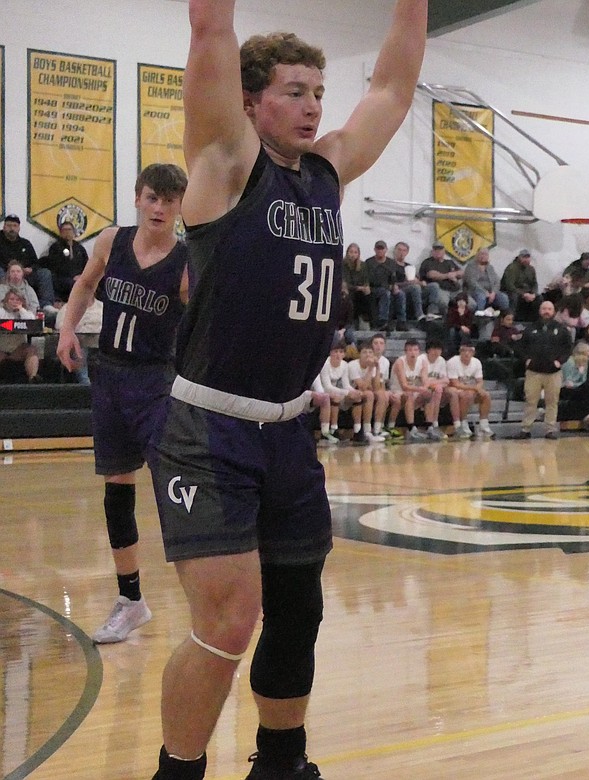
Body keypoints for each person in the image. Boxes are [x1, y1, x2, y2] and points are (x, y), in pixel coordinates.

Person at [149, 0, 426, 777]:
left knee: (297, 609)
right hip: (211, 428)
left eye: (317, 90)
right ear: (248, 101)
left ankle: (280, 763)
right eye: (293, 91)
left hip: (289, 428)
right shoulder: (227, 161)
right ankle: (177, 770)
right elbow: (210, 32)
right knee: (230, 623)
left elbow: (396, 88)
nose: (311, 105)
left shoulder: (329, 171)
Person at [56, 163, 189, 644]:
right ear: (137, 198)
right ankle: (131, 600)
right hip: (109, 374)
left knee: (174, 487)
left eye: (169, 200)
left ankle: (207, 596)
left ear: (180, 208)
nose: (159, 207)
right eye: (152, 197)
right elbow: (87, 284)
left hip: (155, 382)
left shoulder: (185, 264)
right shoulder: (112, 241)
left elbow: (202, 331)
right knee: (117, 489)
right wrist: (68, 327)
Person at [515, 299, 573, 439]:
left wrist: (560, 361)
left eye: (549, 309)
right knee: (530, 400)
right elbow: (520, 347)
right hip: (533, 372)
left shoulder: (561, 329)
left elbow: (568, 348)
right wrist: (526, 360)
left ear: (553, 312)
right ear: (540, 311)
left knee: (552, 401)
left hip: (553, 373)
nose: (546, 311)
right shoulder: (530, 328)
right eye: (544, 309)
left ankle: (550, 429)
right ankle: (526, 428)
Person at [0, 215, 53, 311]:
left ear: (19, 228)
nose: (12, 228)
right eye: (9, 225)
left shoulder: (25, 243)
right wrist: (12, 270)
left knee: (45, 273)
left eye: (15, 226)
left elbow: (36, 263)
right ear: (4, 227)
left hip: (25, 275)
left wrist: (31, 269)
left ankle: (46, 305)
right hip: (5, 275)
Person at [446, 339, 494, 440]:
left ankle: (483, 425)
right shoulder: (453, 362)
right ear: (460, 352)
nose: (467, 353)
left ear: (473, 352)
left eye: (469, 351)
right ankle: (463, 423)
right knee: (465, 395)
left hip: (470, 390)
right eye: (464, 351)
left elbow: (480, 381)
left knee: (486, 395)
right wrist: (474, 388)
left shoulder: (476, 362)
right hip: (455, 390)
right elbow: (454, 383)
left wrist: (478, 388)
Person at [391, 338, 437, 442]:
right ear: (405, 352)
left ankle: (430, 426)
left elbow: (425, 381)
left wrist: (425, 389)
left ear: (419, 352)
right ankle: (411, 428)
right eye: (410, 350)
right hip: (398, 392)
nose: (413, 352)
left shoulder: (423, 361)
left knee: (429, 394)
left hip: (414, 392)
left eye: (415, 350)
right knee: (410, 394)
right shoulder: (400, 362)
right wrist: (420, 389)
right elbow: (404, 386)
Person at [43, 221, 90, 303]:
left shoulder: (79, 248)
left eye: (69, 230)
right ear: (61, 233)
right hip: (61, 279)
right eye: (64, 230)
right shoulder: (55, 247)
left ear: (74, 232)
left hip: (79, 278)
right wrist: (73, 277)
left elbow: (87, 264)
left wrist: (81, 276)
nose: (67, 232)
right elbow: (55, 267)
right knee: (73, 284)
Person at [0, 289, 41, 382]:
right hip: (2, 350)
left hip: (17, 350)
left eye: (18, 300)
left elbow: (32, 323)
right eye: (12, 299)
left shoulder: (26, 313)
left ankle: (33, 378)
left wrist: (21, 310)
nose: (14, 302)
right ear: (6, 301)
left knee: (31, 349)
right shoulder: (1, 311)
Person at [419, 242, 463, 316]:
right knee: (443, 303)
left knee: (472, 305)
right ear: (432, 251)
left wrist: (454, 274)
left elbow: (462, 272)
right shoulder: (428, 262)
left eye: (440, 249)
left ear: (444, 251)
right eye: (436, 250)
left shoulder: (449, 262)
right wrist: (447, 275)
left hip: (455, 290)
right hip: (441, 289)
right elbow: (431, 274)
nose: (438, 251)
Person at [462, 248, 509, 315]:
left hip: (491, 293)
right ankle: (480, 318)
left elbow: (497, 281)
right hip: (475, 291)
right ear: (477, 255)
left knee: (504, 298)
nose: (483, 256)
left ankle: (503, 319)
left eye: (486, 254)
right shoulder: (470, 267)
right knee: (481, 297)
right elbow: (471, 282)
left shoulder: (490, 267)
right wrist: (484, 292)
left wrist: (493, 292)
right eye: (481, 254)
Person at [388, 240, 424, 326]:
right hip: (397, 289)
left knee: (432, 286)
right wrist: (407, 283)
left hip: (410, 290)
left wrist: (420, 282)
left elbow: (416, 280)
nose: (401, 252)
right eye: (399, 250)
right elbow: (390, 282)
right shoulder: (390, 264)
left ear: (407, 252)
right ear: (395, 251)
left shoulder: (410, 266)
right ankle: (419, 315)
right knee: (415, 287)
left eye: (404, 250)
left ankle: (432, 314)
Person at [501, 249, 540, 322]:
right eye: (524, 257)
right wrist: (523, 294)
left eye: (528, 257)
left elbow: (534, 283)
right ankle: (512, 319)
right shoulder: (512, 268)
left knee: (539, 298)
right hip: (513, 292)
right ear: (519, 257)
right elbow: (509, 286)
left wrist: (534, 294)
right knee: (514, 296)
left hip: (527, 292)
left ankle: (534, 322)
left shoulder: (531, 269)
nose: (526, 259)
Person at [341, 242, 372, 329]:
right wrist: (358, 287)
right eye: (351, 252)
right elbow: (344, 283)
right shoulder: (342, 265)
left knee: (367, 295)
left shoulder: (363, 265)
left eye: (355, 252)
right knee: (347, 295)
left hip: (359, 291)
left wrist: (366, 287)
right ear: (347, 253)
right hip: (348, 290)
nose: (353, 255)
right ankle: (350, 323)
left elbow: (366, 280)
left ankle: (365, 320)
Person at [365, 240, 395, 330]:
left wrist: (394, 285)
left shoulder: (391, 263)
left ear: (386, 250)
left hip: (387, 288)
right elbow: (365, 277)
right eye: (378, 249)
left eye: (382, 249)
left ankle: (401, 321)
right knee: (385, 293)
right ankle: (383, 320)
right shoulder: (369, 262)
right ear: (374, 250)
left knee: (399, 295)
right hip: (373, 288)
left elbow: (393, 278)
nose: (380, 251)